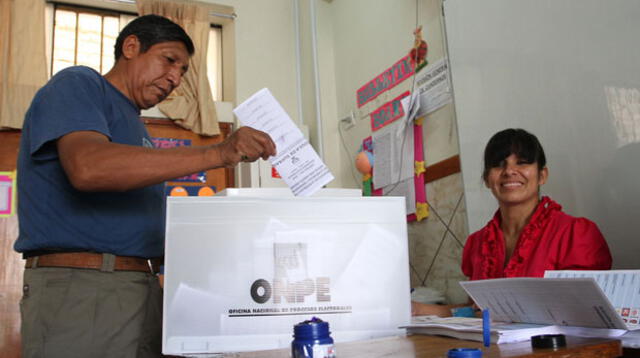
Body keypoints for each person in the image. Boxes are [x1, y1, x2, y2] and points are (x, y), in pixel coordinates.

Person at [15, 15, 276, 358]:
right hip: (86, 286)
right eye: (169, 61)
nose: (174, 79)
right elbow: (89, 167)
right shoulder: (79, 84)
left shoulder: (137, 129)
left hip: (140, 287)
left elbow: (134, 220)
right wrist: (220, 152)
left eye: (182, 72)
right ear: (131, 46)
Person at [412, 128, 611, 316]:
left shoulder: (576, 234)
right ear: (487, 180)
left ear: (542, 175)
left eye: (522, 162)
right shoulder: (477, 243)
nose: (509, 171)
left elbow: (589, 313)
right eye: (498, 164)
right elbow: (476, 311)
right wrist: (419, 310)